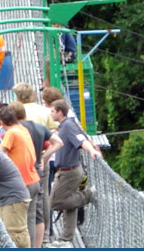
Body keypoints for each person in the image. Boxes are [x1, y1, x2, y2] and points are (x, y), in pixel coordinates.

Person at [8, 101, 63, 248]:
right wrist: (44, 157)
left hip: (21, 176)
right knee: (37, 215)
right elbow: (58, 142)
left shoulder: (15, 130)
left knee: (22, 216)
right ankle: (38, 245)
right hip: (37, 174)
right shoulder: (39, 127)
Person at [47, 99, 100, 248]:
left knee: (55, 202)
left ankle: (89, 195)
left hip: (69, 172)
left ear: (60, 112)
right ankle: (66, 239)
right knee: (69, 204)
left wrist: (92, 150)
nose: (50, 113)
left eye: (52, 111)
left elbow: (81, 140)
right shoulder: (65, 125)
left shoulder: (69, 125)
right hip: (68, 170)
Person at [0, 106, 40, 247]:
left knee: (18, 225)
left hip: (21, 185)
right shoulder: (23, 129)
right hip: (33, 179)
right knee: (30, 221)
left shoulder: (12, 133)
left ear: (2, 123)